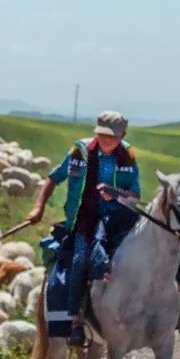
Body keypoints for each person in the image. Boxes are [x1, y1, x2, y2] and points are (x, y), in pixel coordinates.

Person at [25, 110, 143, 346]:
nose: (107, 140)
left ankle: (163, 309)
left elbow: (135, 195)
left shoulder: (128, 155)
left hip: (116, 220)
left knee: (144, 251)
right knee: (80, 260)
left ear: (123, 135)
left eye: (113, 136)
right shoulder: (79, 151)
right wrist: (38, 208)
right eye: (102, 134)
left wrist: (117, 194)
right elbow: (53, 178)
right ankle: (77, 319)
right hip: (84, 220)